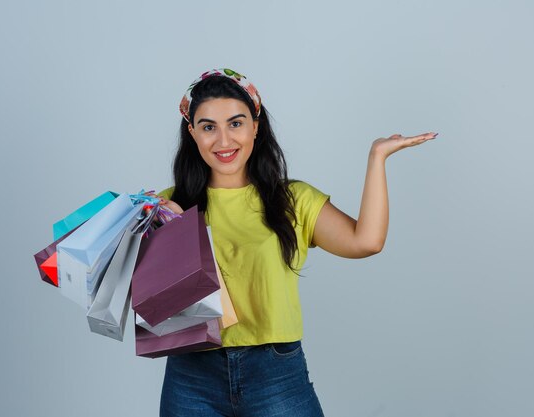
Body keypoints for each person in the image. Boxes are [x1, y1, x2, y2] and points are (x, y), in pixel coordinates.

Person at [154, 68, 437, 417]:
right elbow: (141, 300)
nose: (223, 140)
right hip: (191, 374)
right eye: (209, 126)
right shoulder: (169, 206)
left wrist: (377, 158)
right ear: (192, 133)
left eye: (236, 123)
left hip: (275, 372)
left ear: (256, 126)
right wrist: (165, 227)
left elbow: (366, 242)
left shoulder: (292, 200)